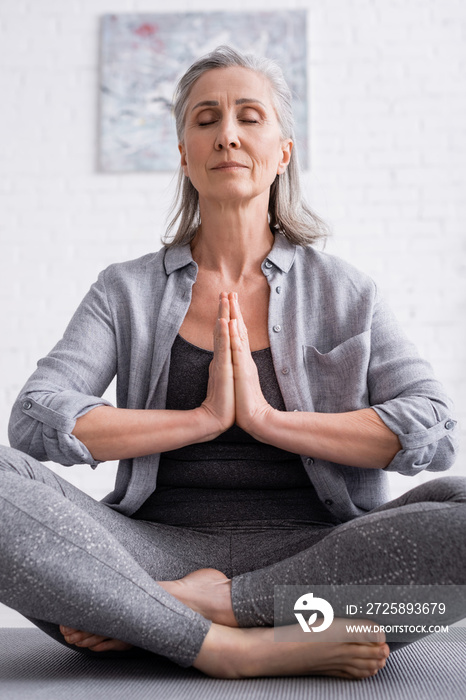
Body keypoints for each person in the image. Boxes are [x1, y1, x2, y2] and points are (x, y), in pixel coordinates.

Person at [1, 45, 465, 681]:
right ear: (184, 153)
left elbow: (436, 430)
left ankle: (186, 615)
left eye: (250, 117)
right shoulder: (124, 290)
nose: (227, 135)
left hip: (320, 552)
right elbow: (33, 419)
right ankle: (231, 645)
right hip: (149, 551)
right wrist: (203, 418)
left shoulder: (347, 291)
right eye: (205, 120)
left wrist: (269, 420)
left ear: (283, 152)